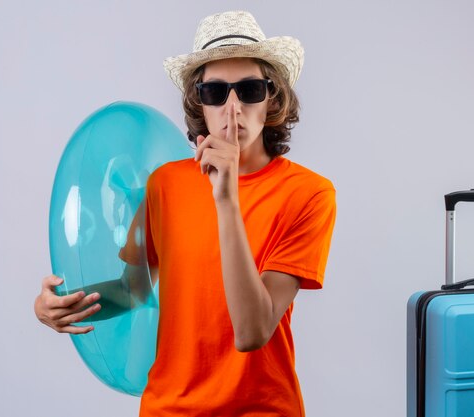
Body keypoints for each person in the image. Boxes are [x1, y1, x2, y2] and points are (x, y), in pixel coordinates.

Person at [34, 10, 336, 417]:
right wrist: (61, 306)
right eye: (216, 92)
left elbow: (252, 331)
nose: (233, 107)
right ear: (200, 103)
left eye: (249, 89)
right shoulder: (165, 183)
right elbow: (133, 290)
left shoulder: (307, 193)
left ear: (272, 98)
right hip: (168, 409)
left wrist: (226, 199)